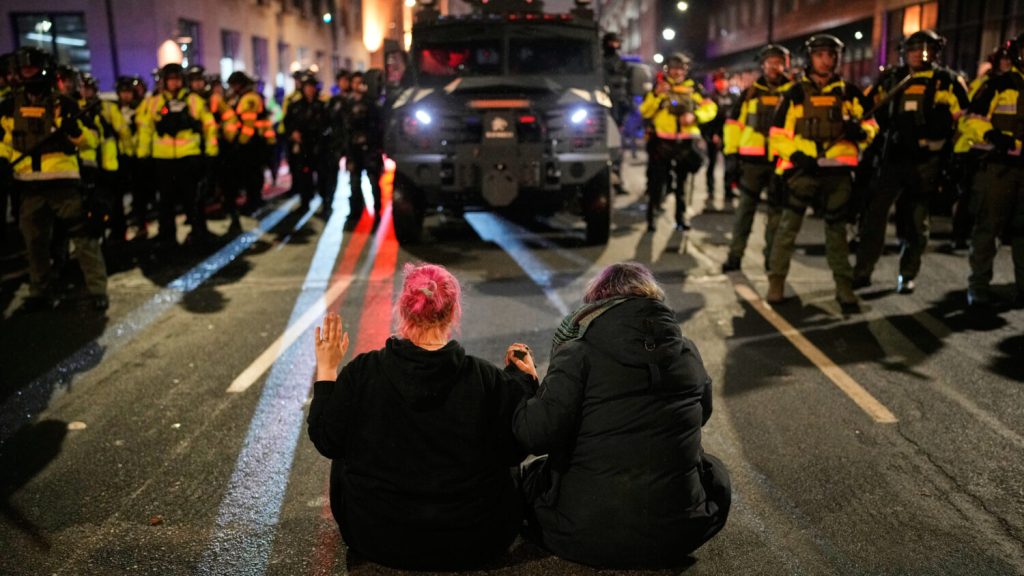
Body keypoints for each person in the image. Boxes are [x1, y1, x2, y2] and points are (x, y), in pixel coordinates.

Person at [307, 263, 538, 570]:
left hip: (376, 536)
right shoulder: (485, 378)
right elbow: (517, 448)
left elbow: (327, 440)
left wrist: (327, 369)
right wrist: (524, 383)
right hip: (476, 538)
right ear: (453, 312)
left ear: (403, 309)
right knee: (503, 441)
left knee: (344, 436)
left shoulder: (363, 372)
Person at [512, 262, 730, 568]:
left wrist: (526, 384)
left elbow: (535, 435)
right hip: (679, 534)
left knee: (533, 475)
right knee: (712, 469)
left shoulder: (578, 353)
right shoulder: (686, 350)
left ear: (597, 305)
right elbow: (700, 415)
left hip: (583, 535)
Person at [852, 30, 967, 295]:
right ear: (905, 52)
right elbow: (865, 106)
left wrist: (942, 134)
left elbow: (964, 117)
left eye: (926, 49)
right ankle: (862, 271)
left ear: (936, 52)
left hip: (927, 161)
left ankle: (907, 273)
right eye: (914, 49)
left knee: (917, 222)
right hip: (892, 158)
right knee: (874, 216)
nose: (919, 54)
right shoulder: (892, 78)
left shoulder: (947, 81)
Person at [766, 34, 876, 309]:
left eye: (831, 55)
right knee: (787, 229)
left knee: (837, 232)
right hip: (803, 172)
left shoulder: (849, 92)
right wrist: (796, 156)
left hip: (838, 173)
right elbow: (777, 134)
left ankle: (844, 287)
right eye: (820, 55)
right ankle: (776, 282)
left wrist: (861, 132)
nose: (826, 60)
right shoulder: (794, 94)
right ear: (810, 58)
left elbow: (871, 124)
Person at [0, 47, 108, 312]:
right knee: (34, 243)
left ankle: (97, 290)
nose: (27, 73)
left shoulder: (65, 104)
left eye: (32, 68)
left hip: (64, 184)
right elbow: (4, 142)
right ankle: (40, 290)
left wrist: (75, 132)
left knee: (84, 239)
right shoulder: (9, 106)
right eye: (23, 69)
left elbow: (93, 140)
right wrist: (2, 160)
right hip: (28, 185)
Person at [957, 32, 1024, 308]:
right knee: (988, 228)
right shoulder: (998, 84)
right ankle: (979, 286)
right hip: (998, 168)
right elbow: (970, 120)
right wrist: (993, 135)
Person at [721, 44, 793, 273]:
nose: (774, 67)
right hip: (751, 162)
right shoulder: (749, 93)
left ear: (785, 65)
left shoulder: (793, 93)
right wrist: (732, 155)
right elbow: (733, 125)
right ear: (763, 65)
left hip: (780, 163)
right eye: (770, 62)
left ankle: (771, 258)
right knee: (744, 212)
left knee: (776, 215)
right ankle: (735, 256)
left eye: (778, 62)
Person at [136, 62, 219, 248]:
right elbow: (146, 129)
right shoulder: (155, 102)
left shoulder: (193, 100)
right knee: (165, 201)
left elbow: (209, 126)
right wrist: (143, 155)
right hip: (163, 159)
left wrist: (211, 153)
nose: (175, 83)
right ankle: (167, 236)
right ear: (164, 81)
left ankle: (199, 233)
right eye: (171, 79)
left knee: (193, 200)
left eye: (177, 79)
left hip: (189, 157)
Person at [640, 52, 717, 232]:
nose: (677, 72)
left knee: (683, 184)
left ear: (686, 70)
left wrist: (695, 116)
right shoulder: (659, 87)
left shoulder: (694, 88)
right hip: (661, 142)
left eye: (680, 69)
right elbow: (645, 111)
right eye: (673, 68)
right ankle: (652, 217)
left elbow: (711, 108)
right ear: (667, 69)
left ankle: (680, 218)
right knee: (657, 183)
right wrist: (657, 95)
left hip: (685, 143)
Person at [344, 72, 385, 231]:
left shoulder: (372, 104)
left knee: (374, 183)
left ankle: (377, 213)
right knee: (354, 183)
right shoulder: (348, 103)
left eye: (360, 82)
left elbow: (378, 127)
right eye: (355, 82)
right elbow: (345, 129)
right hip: (354, 151)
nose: (357, 85)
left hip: (370, 149)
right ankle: (355, 213)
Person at [284, 71, 326, 211]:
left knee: (321, 175)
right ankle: (305, 202)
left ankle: (324, 201)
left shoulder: (322, 106)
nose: (310, 89)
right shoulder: (295, 105)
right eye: (307, 86)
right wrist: (293, 133)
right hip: (303, 146)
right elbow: (287, 122)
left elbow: (328, 125)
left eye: (312, 86)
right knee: (304, 175)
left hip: (318, 145)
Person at [702, 70, 739, 202]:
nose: (722, 83)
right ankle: (710, 190)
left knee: (730, 165)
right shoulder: (710, 97)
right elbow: (706, 119)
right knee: (711, 164)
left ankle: (728, 189)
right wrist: (712, 134)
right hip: (713, 135)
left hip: (730, 136)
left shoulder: (734, 98)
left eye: (724, 80)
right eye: (719, 81)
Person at [602, 31, 631, 195]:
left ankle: (616, 178)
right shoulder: (598, 62)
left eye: (617, 42)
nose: (614, 45)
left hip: (618, 112)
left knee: (618, 149)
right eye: (612, 42)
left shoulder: (622, 64)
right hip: (602, 111)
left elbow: (627, 88)